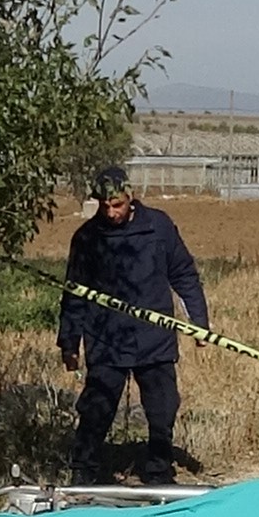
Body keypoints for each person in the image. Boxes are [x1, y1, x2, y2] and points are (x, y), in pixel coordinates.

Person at [58, 167, 209, 485]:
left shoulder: (159, 226)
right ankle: (83, 473)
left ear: (131, 198)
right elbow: (74, 295)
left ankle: (158, 472)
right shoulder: (86, 238)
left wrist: (199, 322)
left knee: (163, 407)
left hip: (154, 338)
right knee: (96, 408)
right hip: (106, 338)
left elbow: (183, 273)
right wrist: (69, 343)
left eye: (118, 205)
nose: (111, 213)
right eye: (104, 206)